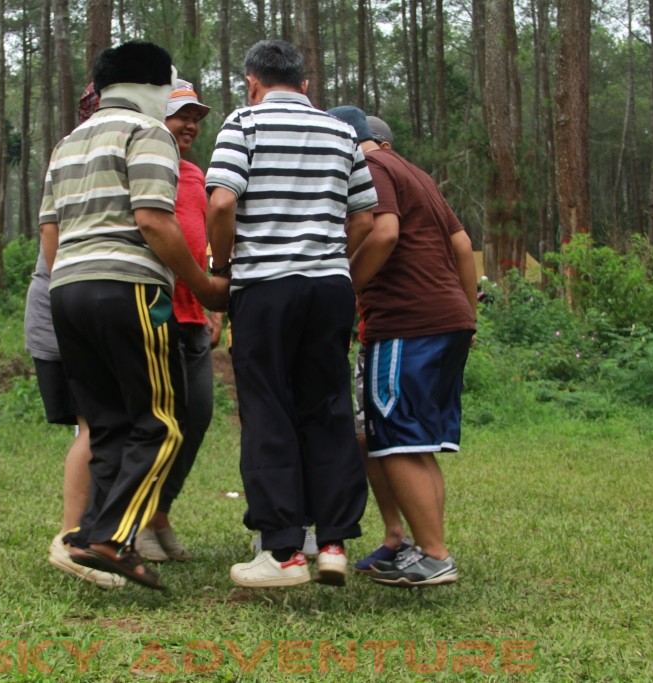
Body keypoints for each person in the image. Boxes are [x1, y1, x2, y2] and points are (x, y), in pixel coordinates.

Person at [39, 41, 229, 590]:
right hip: (127, 289)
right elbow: (153, 220)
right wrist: (204, 286)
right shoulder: (150, 133)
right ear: (153, 87)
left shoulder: (69, 142)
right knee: (165, 421)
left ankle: (87, 534)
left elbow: (49, 230)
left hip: (67, 289)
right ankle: (113, 536)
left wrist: (68, 283)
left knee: (107, 424)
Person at [206, 40, 377, 588]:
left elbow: (222, 202)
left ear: (252, 83)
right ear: (305, 85)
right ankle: (331, 543)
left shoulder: (244, 122)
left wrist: (225, 262)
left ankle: (282, 551)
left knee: (268, 409)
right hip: (329, 288)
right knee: (327, 406)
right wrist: (330, 258)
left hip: (265, 287)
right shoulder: (341, 131)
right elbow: (366, 219)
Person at [330, 107, 477, 587]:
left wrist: (345, 287)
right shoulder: (418, 175)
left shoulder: (369, 167)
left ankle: (434, 554)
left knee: (392, 439)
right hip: (446, 320)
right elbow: (461, 243)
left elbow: (384, 230)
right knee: (418, 443)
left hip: (405, 323)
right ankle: (419, 546)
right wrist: (467, 313)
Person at [133, 80, 222, 563]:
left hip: (193, 315)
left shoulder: (194, 175)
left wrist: (210, 306)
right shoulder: (144, 168)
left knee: (198, 415)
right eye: (180, 114)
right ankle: (143, 520)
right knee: (158, 420)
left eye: (195, 117)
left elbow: (201, 247)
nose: (190, 125)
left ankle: (161, 509)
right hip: (154, 312)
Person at [24, 249, 124, 590]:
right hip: (67, 322)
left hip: (72, 317)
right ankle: (71, 541)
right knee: (97, 428)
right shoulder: (76, 198)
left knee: (101, 427)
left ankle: (91, 537)